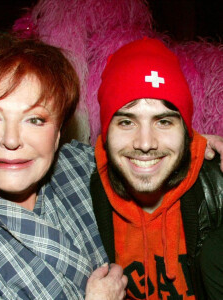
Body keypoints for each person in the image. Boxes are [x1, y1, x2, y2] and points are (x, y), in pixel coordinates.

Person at [0, 32, 127, 299]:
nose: (11, 140)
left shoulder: (77, 167)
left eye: (35, 120)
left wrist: (191, 147)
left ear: (58, 132)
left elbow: (144, 161)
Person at [91, 37, 223, 300]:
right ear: (106, 132)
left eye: (163, 121)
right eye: (127, 122)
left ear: (185, 131)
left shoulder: (216, 190)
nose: (145, 143)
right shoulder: (87, 195)